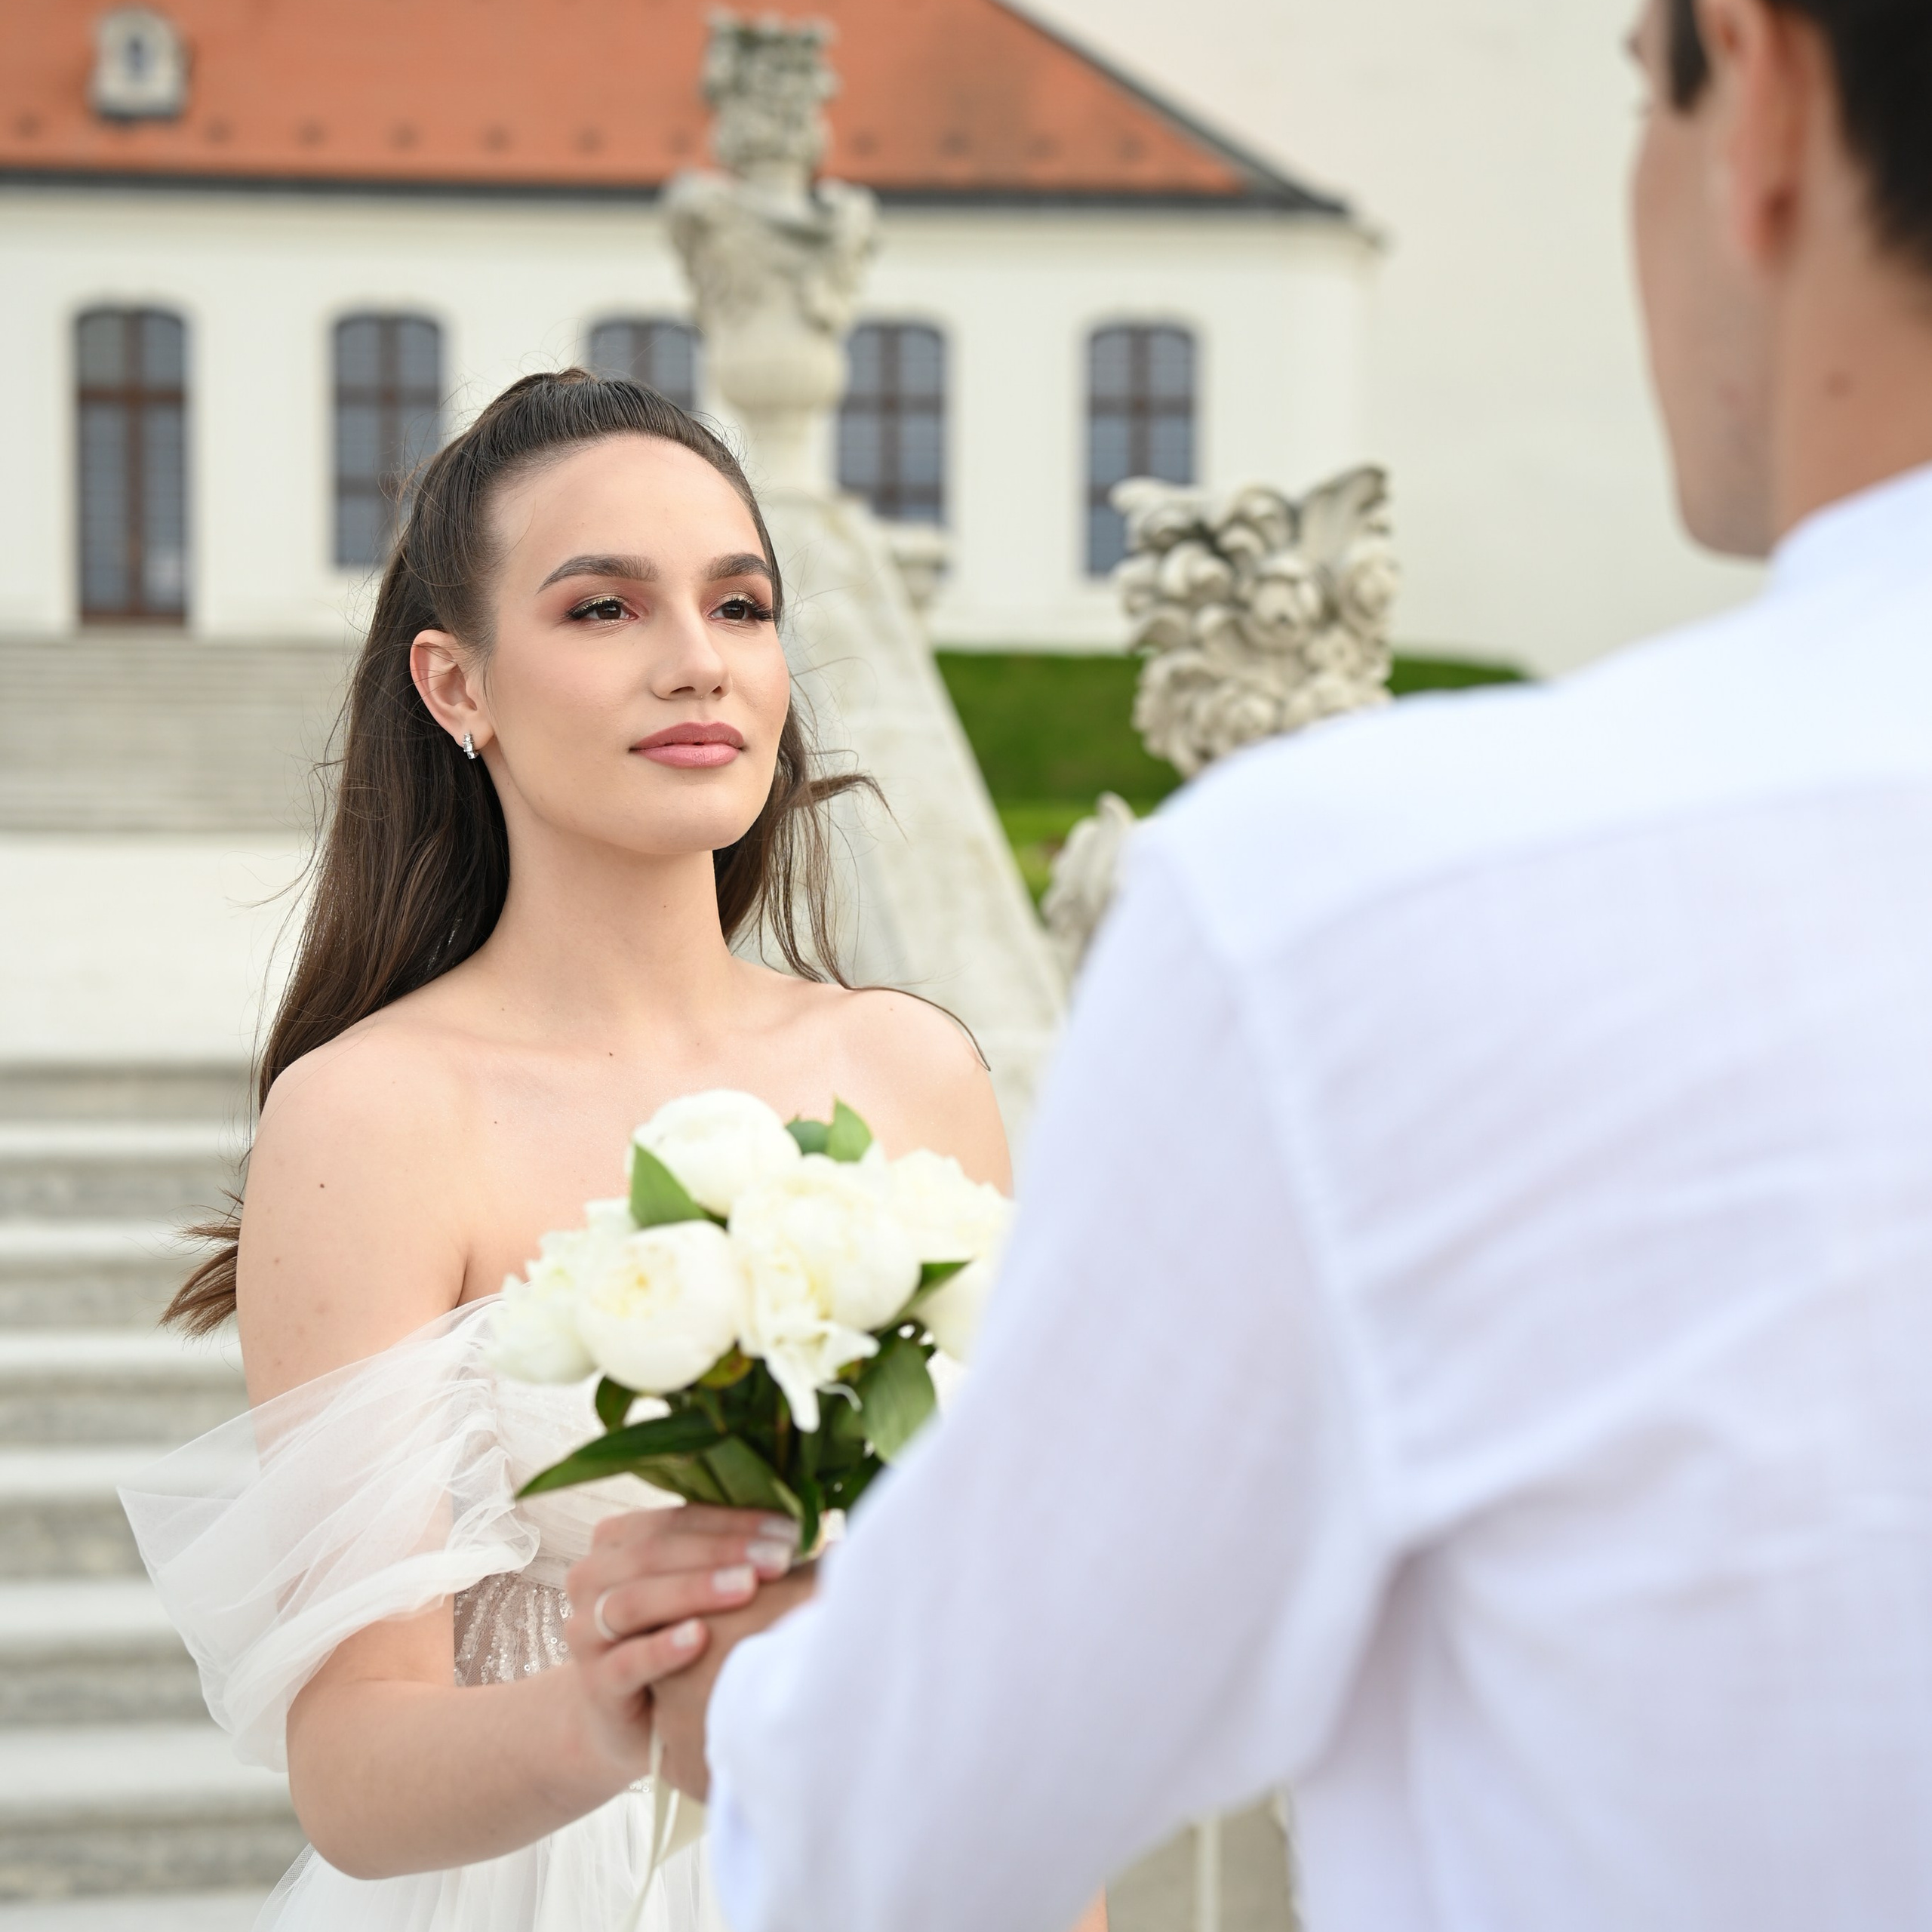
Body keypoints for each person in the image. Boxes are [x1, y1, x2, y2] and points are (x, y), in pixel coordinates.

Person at [608, 1, 1932, 1927]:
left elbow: (917, 1824)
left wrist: (754, 1691)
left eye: (1644, 87)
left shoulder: (1366, 914)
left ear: (1762, 95)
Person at [118, 370, 1011, 1930]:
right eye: (603, 609)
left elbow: (1013, 1617)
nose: (696, 662)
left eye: (740, 606)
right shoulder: (375, 1113)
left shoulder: (909, 1068)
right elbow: (351, 1760)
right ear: (455, 685)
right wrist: (617, 1706)